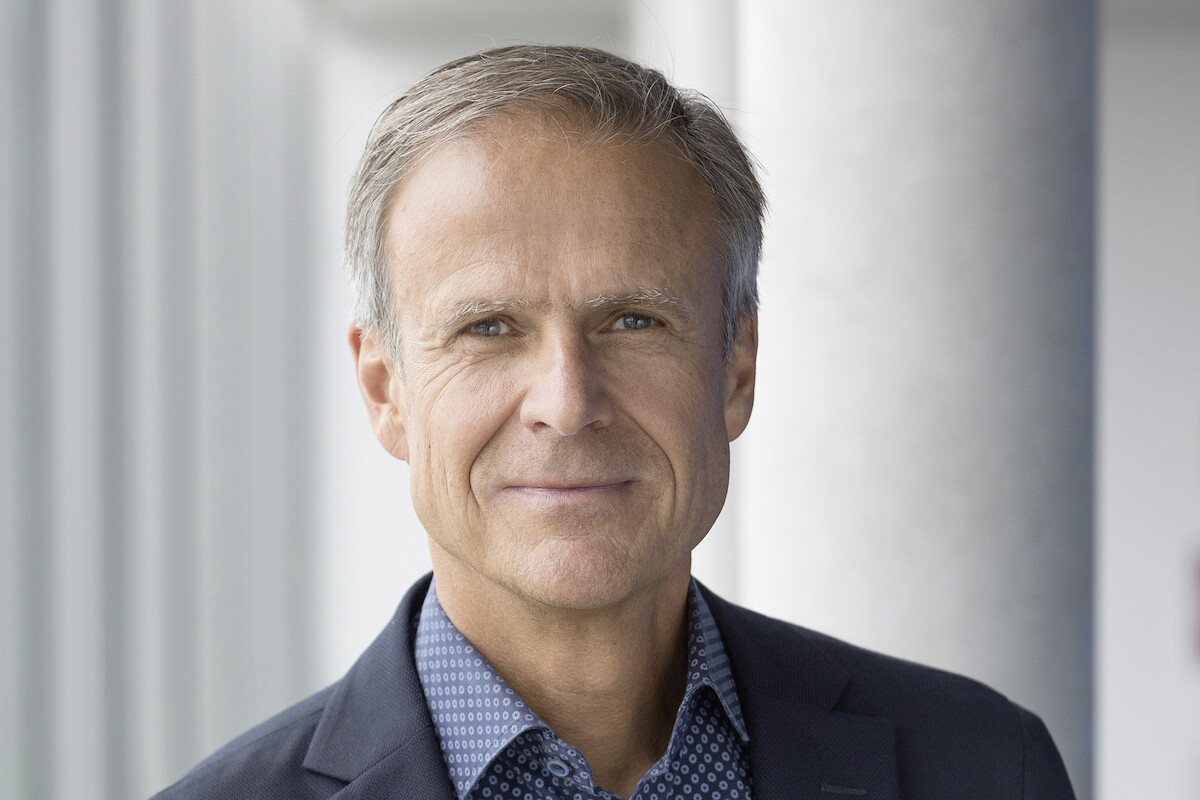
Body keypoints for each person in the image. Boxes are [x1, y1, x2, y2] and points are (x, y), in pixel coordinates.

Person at [152, 45, 1076, 800]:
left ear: (735, 370)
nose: (566, 400)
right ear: (387, 389)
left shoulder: (984, 769)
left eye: (633, 321)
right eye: (489, 328)